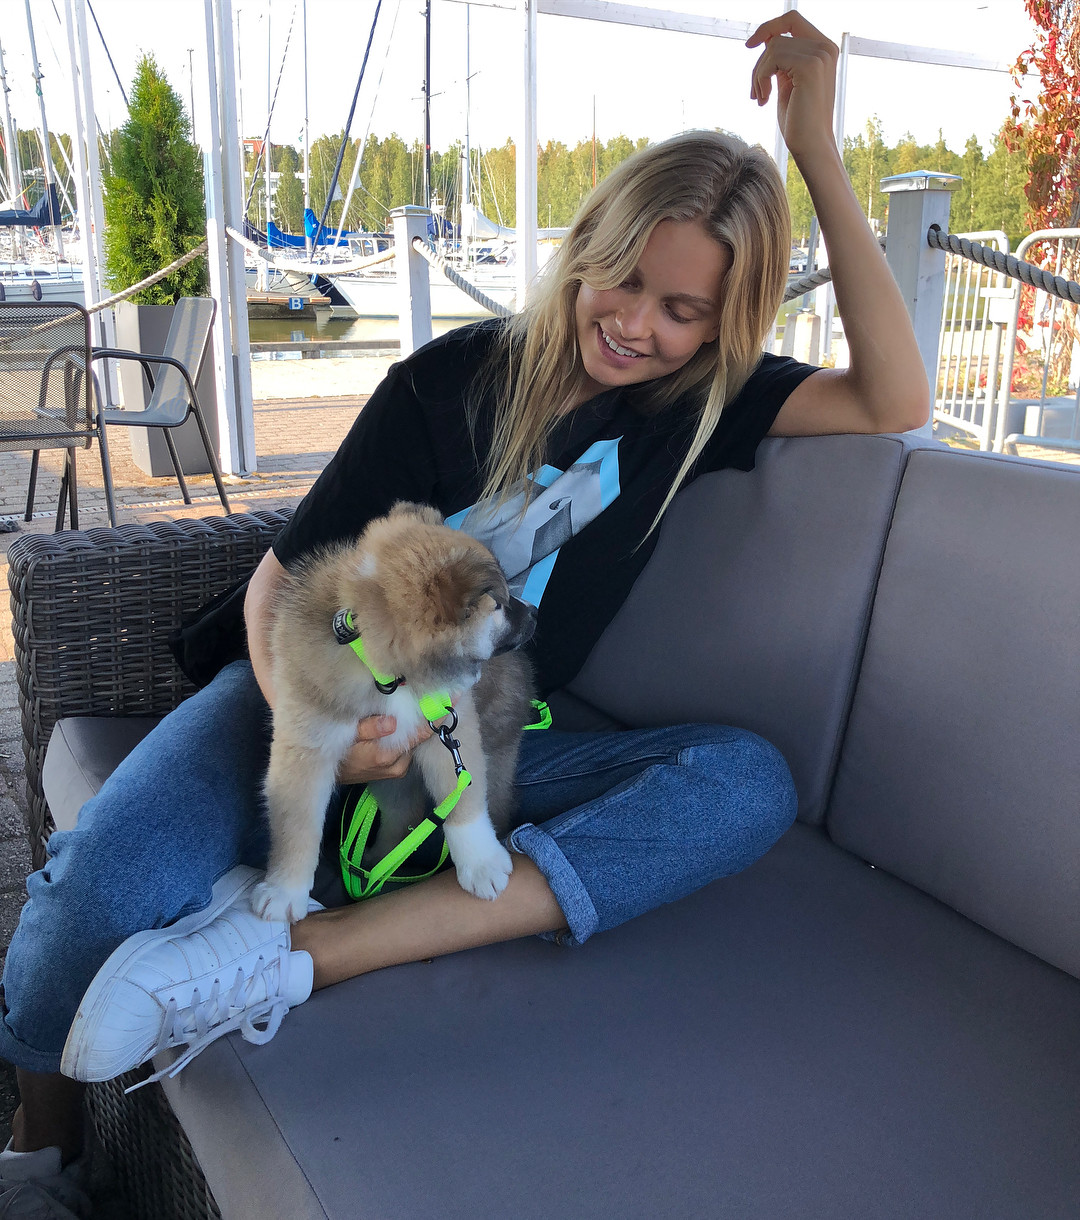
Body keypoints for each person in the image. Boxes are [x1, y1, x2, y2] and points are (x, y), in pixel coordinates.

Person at [0, 14, 927, 1218]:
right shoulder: (447, 382)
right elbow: (279, 583)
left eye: (683, 308)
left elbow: (895, 397)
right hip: (308, 706)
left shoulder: (701, 407)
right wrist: (326, 730)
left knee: (746, 781)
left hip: (493, 743)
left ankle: (286, 955)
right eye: (624, 276)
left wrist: (818, 154)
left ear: (722, 323)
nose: (637, 322)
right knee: (92, 897)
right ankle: (43, 1158)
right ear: (585, 248)